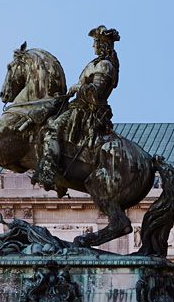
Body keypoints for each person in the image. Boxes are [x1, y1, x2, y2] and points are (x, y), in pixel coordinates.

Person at [32, 25, 120, 196]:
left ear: (102, 45)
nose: (93, 46)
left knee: (52, 129)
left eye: (95, 42)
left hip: (87, 111)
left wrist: (79, 88)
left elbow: (97, 92)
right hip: (79, 106)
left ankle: (49, 174)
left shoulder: (105, 66)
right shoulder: (97, 64)